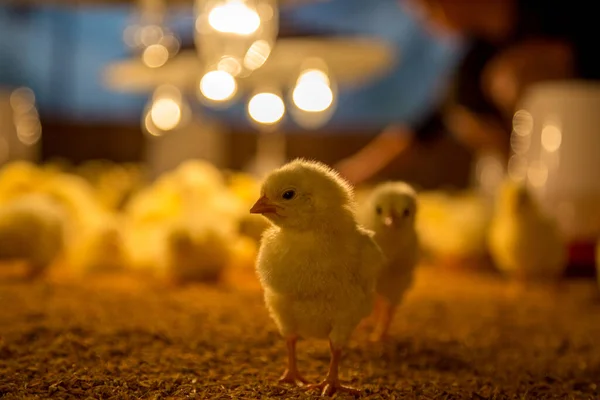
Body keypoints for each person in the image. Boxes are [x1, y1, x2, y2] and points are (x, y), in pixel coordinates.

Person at [337, 0, 600, 184]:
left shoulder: (562, 15)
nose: (428, 22)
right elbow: (425, 127)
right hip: (528, 182)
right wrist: (354, 172)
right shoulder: (476, 60)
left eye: (429, 9)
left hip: (583, 163)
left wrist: (561, 67)